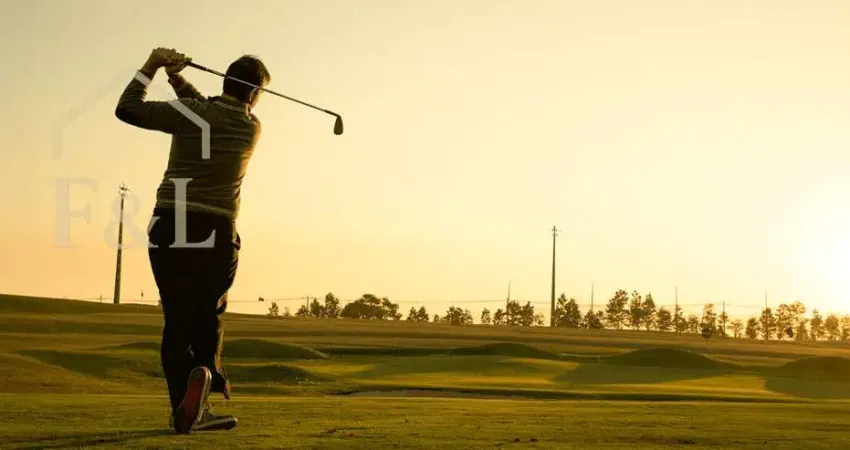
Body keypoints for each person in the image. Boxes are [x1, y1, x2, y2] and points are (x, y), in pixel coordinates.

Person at [114, 47, 271, 434]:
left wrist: (154, 67)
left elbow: (128, 108)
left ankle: (183, 405)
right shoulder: (251, 126)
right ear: (253, 96)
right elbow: (205, 110)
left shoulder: (192, 116)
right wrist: (176, 77)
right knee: (208, 314)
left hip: (172, 225)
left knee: (176, 318)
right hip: (217, 230)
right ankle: (205, 381)